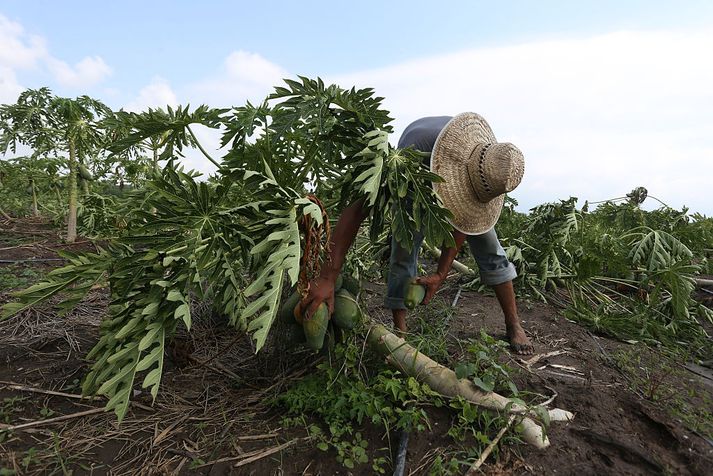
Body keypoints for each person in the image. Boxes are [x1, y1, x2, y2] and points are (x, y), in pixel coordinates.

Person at [299, 113, 534, 355]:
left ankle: (513, 322)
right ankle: (402, 334)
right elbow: (357, 209)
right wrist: (328, 276)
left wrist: (441, 273)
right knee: (404, 247)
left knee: (491, 249)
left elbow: (463, 223)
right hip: (415, 171)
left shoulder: (488, 170)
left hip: (467, 176)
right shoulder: (405, 161)